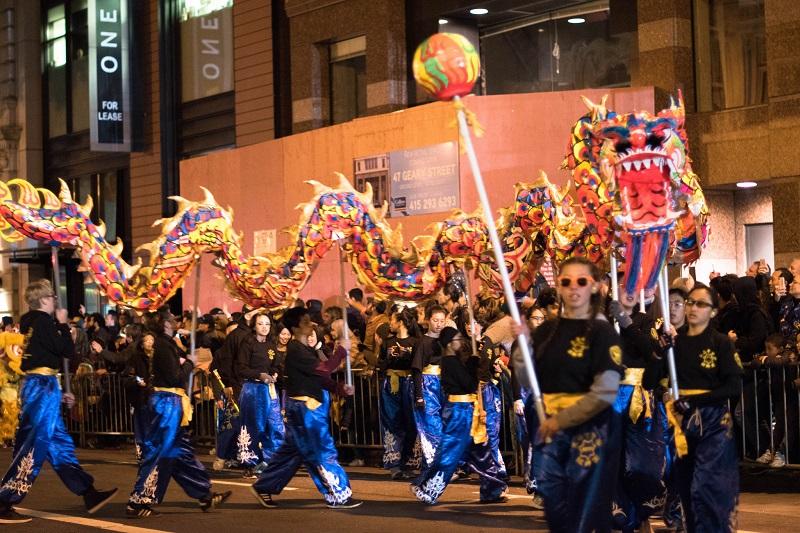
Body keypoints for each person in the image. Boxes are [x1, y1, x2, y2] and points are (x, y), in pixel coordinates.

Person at [517, 257, 623, 533]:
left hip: (589, 431)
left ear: (596, 287)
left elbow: (606, 390)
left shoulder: (602, 332)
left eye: (581, 281)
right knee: (555, 508)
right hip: (550, 430)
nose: (573, 287)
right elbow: (529, 379)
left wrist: (562, 420)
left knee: (584, 512)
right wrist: (522, 347)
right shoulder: (547, 331)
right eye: (566, 282)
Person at [0, 280, 118, 524]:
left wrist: (58, 390)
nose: (55, 300)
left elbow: (43, 357)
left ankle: (88, 492)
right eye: (52, 296)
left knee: (60, 445)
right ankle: (4, 499)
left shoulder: (31, 323)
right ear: (44, 299)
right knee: (33, 444)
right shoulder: (43, 321)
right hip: (41, 387)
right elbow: (64, 350)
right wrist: (64, 325)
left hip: (43, 386)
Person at [645, 284, 742, 532]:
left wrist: (697, 401)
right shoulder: (675, 343)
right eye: (690, 302)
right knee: (686, 486)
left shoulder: (720, 343)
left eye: (701, 304)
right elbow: (649, 381)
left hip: (713, 424)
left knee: (706, 485)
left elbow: (733, 386)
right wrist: (659, 350)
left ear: (713, 312)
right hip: (683, 422)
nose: (693, 308)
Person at [250, 307, 362, 509]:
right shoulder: (296, 350)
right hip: (306, 409)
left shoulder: (305, 350)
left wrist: (339, 388)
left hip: (304, 406)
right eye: (305, 322)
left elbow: (319, 377)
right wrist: (342, 351)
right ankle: (338, 493)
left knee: (292, 452)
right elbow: (324, 369)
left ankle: (264, 485)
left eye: (310, 321)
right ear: (295, 327)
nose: (310, 325)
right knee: (321, 449)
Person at [126, 312, 231, 517]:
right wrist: (190, 364)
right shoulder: (163, 346)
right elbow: (175, 377)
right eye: (173, 320)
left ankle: (204, 494)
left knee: (180, 452)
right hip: (166, 403)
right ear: (166, 324)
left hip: (171, 403)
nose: (177, 322)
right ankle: (137, 500)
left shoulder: (167, 343)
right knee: (160, 451)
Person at [411, 325, 507, 505]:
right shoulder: (449, 362)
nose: (460, 343)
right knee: (449, 452)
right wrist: (473, 365)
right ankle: (427, 487)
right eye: (457, 340)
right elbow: (469, 384)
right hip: (459, 411)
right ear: (448, 344)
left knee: (481, 450)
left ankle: (492, 489)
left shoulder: (454, 360)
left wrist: (474, 360)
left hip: (468, 409)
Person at [607, 287, 665, 532]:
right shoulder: (603, 323)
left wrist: (627, 323)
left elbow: (652, 352)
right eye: (622, 287)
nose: (627, 292)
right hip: (609, 395)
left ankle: (643, 512)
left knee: (640, 460)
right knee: (614, 459)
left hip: (636, 397)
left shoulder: (645, 320)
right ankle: (622, 514)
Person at [235, 312, 284, 478]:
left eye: (267, 324)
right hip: (253, 389)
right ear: (254, 326)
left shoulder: (271, 345)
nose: (264, 327)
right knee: (253, 426)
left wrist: (275, 373)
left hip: (269, 389)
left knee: (275, 425)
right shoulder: (247, 343)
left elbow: (276, 364)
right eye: (260, 324)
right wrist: (259, 375)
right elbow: (241, 368)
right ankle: (249, 463)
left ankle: (271, 461)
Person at [378, 306, 420, 480]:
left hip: (409, 384)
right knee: (392, 421)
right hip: (391, 386)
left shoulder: (415, 342)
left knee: (411, 422)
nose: (390, 324)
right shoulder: (387, 343)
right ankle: (394, 463)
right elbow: (380, 363)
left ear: (401, 322)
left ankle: (407, 462)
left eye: (393, 321)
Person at [411, 304, 447, 468]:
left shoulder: (447, 341)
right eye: (435, 320)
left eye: (442, 321)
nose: (439, 324)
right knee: (431, 424)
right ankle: (435, 463)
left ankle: (442, 462)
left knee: (446, 424)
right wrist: (419, 395)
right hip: (428, 385)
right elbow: (417, 370)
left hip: (444, 385)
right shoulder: (422, 342)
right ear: (428, 321)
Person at [123, 331, 157, 464]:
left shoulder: (159, 357)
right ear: (142, 344)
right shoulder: (136, 358)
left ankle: (153, 451)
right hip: (141, 397)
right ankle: (143, 452)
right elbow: (128, 376)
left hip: (156, 396)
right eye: (147, 340)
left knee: (154, 425)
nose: (150, 342)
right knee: (142, 426)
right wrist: (138, 380)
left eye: (152, 340)